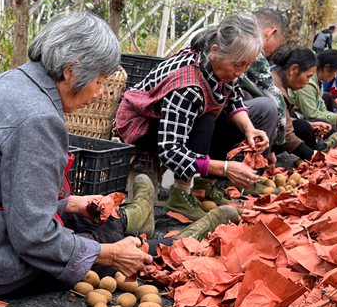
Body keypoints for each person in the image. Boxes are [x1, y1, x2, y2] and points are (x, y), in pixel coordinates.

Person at [0, 12, 154, 298]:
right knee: (103, 241)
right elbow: (33, 237)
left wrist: (70, 204)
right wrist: (109, 254)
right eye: (99, 81)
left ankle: (129, 220)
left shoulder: (7, 83)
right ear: (72, 71)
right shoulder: (39, 118)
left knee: (88, 226)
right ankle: (135, 225)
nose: (99, 92)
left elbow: (2, 193)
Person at [115, 13, 276, 220]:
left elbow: (234, 98)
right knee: (206, 119)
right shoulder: (188, 85)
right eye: (238, 65)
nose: (242, 71)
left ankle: (205, 187)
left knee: (249, 111)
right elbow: (171, 151)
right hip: (142, 125)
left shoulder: (219, 64)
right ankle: (180, 193)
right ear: (216, 51)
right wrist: (225, 169)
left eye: (247, 65)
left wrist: (249, 129)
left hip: (182, 120)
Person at [240, 9, 290, 175]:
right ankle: (248, 175)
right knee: (267, 107)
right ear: (270, 33)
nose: (273, 51)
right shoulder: (250, 47)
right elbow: (275, 100)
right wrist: (275, 144)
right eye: (277, 44)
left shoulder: (230, 35)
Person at [269, 46, 333, 161]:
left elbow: (283, 119)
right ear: (294, 69)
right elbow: (286, 135)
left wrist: (311, 124)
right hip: (255, 142)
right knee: (302, 126)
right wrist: (315, 156)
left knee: (304, 124)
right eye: (308, 76)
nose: (307, 81)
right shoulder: (275, 89)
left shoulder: (276, 78)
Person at [288, 50, 337, 130]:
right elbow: (311, 115)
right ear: (326, 68)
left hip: (309, 111)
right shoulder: (308, 84)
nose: (335, 76)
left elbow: (322, 107)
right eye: (335, 72)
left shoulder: (320, 82)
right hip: (298, 115)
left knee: (327, 97)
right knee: (333, 132)